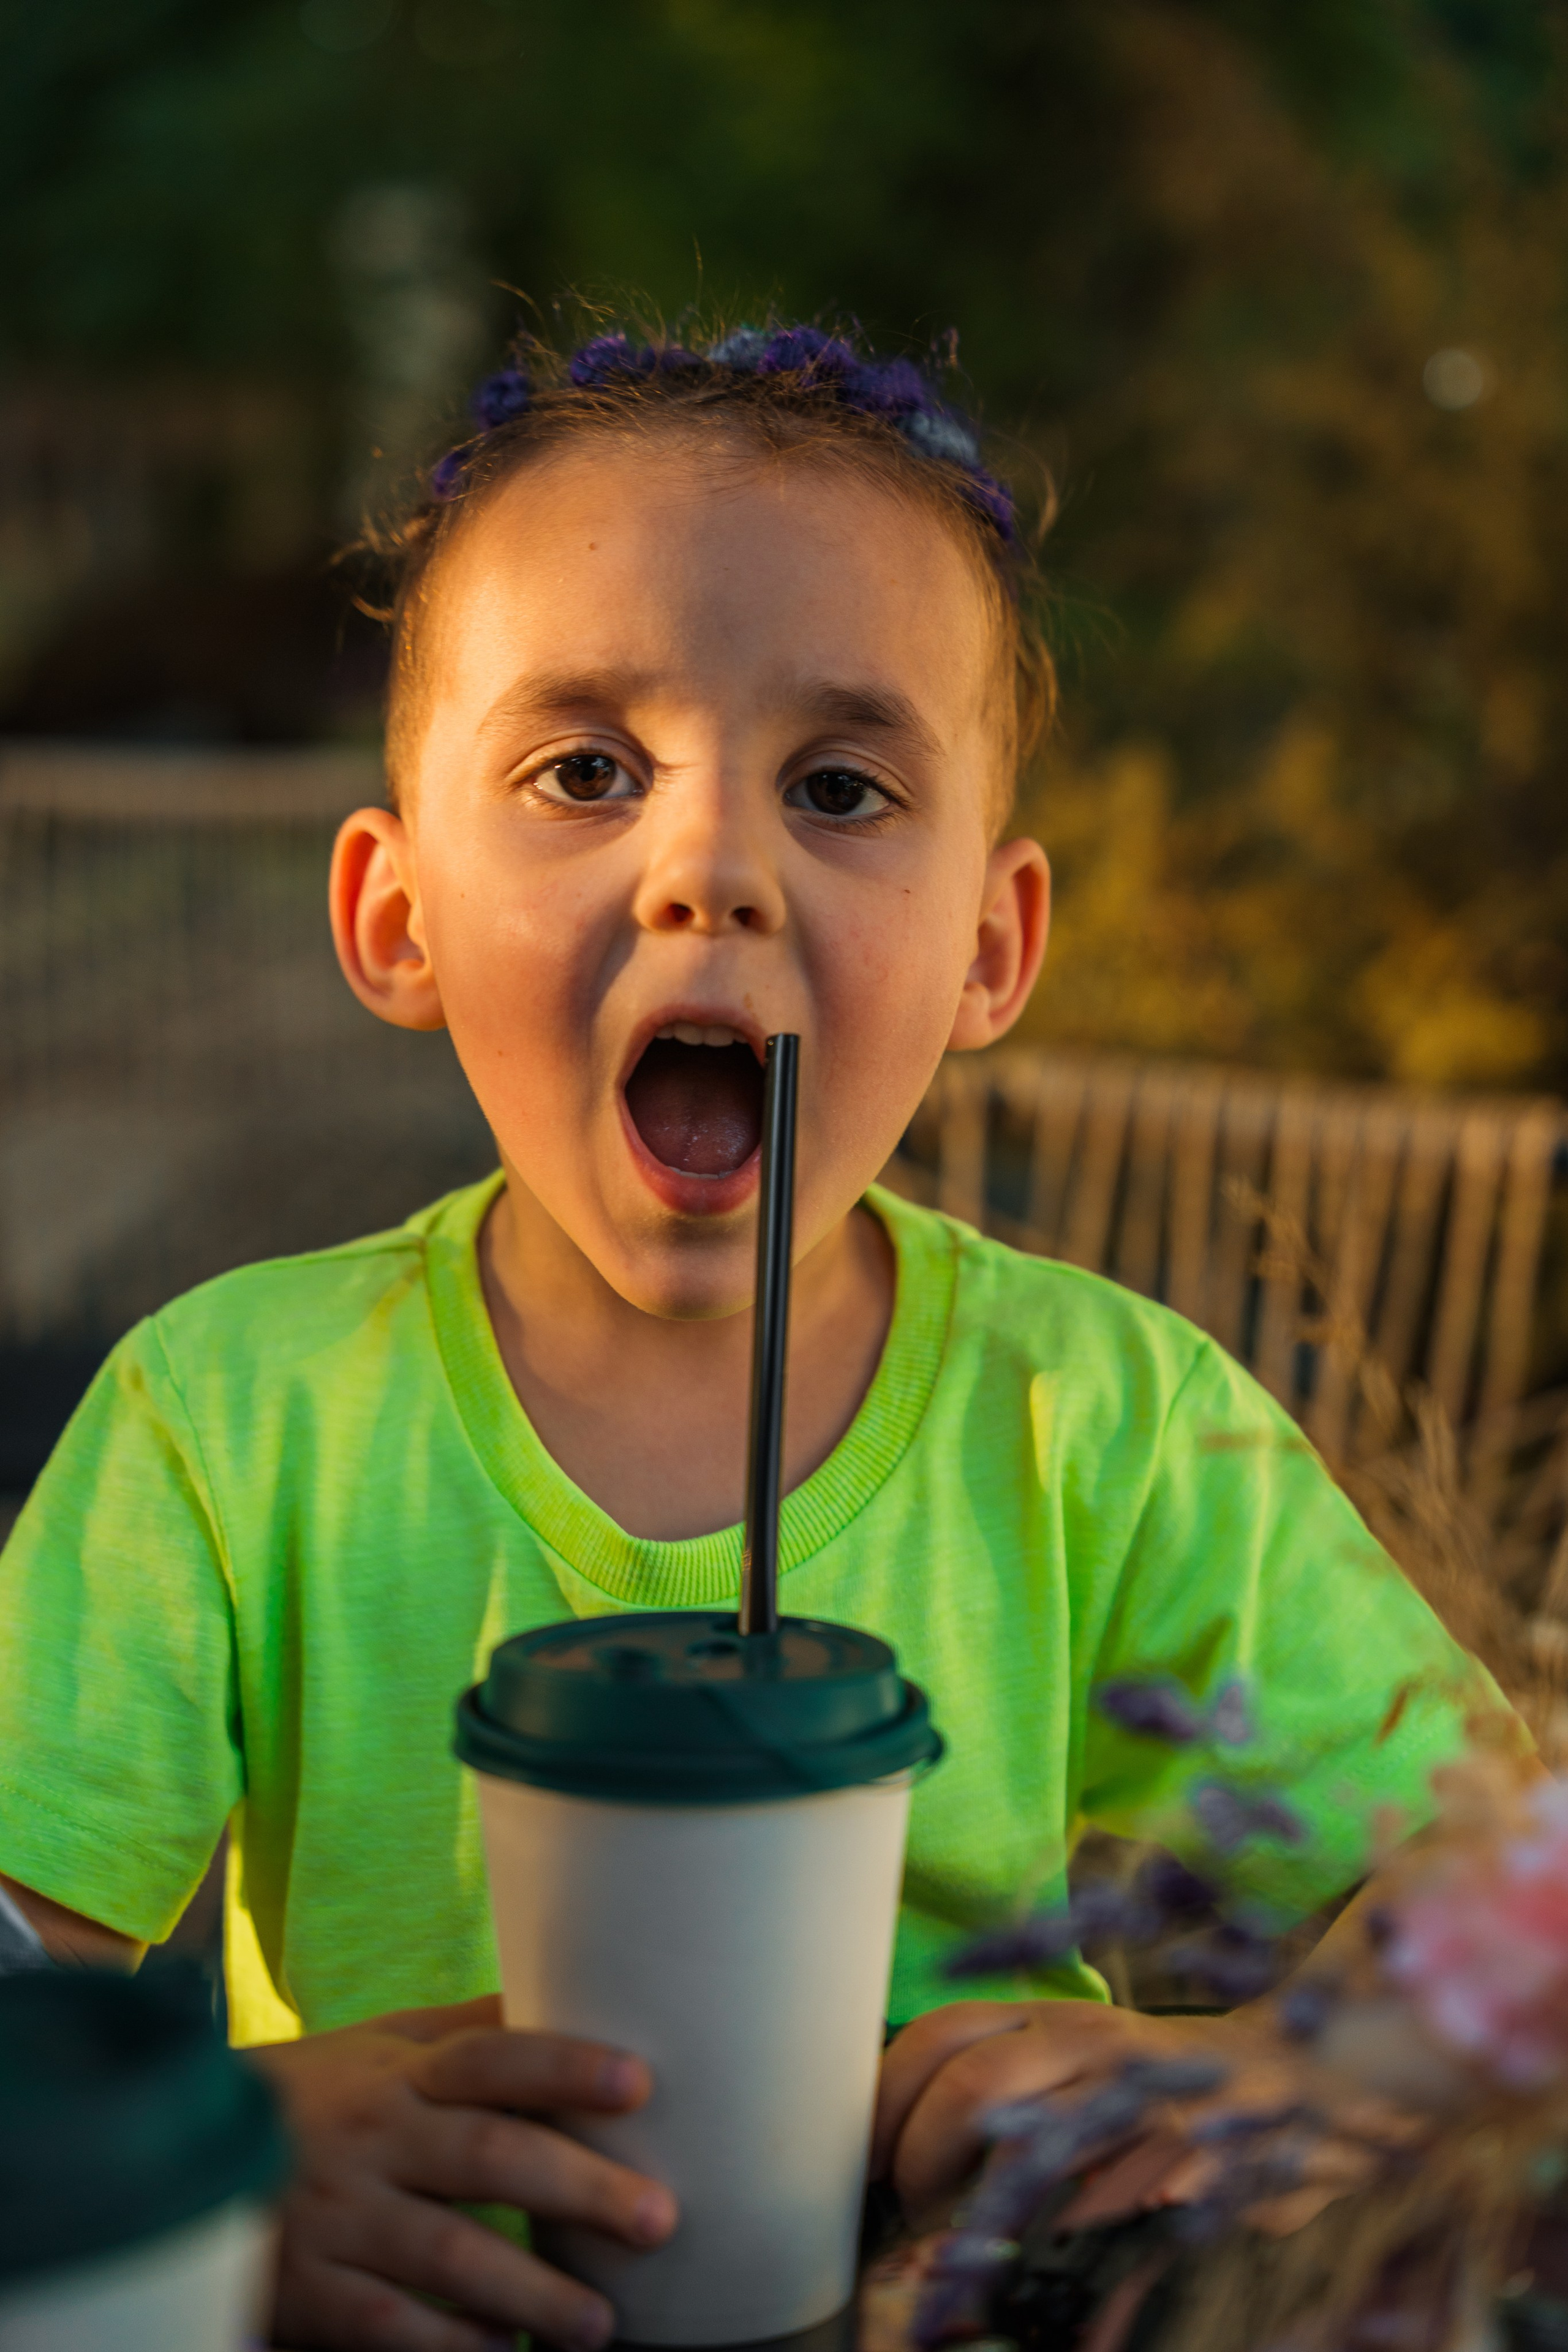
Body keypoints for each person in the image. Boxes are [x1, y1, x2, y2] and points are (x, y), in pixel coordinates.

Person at [0, 322, 1494, 2351]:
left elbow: (1496, 1927)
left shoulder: (1115, 1435)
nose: (710, 869)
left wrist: (1285, 2075)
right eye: (583, 771)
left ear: (990, 946)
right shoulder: (227, 1420)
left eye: (845, 785)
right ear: (396, 912)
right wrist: (231, 2146)